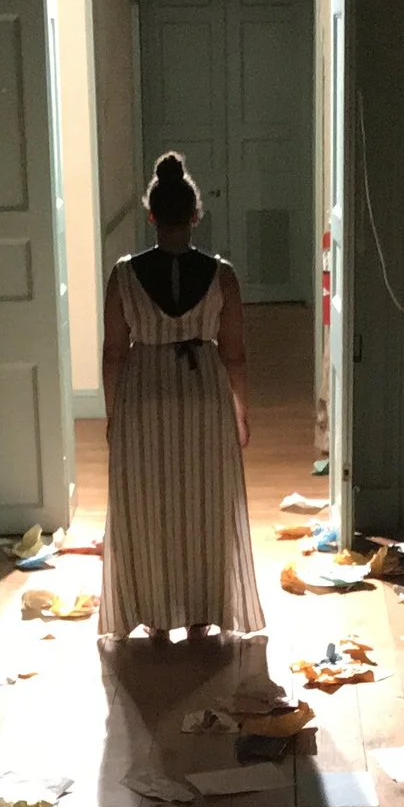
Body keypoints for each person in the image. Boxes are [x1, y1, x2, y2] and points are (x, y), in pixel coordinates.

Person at [98, 152, 265, 642]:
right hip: (204, 396)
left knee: (148, 510)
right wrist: (240, 410)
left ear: (151, 215)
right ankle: (200, 614)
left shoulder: (124, 274)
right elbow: (235, 355)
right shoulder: (222, 275)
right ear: (196, 216)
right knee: (204, 507)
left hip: (143, 394)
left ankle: (153, 616)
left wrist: (113, 415)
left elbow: (113, 353)